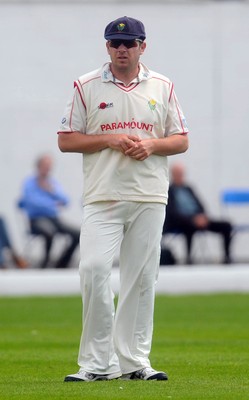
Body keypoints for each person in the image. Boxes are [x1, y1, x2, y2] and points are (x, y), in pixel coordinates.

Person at [57, 16, 189, 382]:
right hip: (103, 195)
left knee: (142, 278)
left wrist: (150, 145)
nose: (122, 50)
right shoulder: (86, 86)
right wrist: (110, 140)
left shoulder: (162, 86)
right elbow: (66, 140)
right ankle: (98, 364)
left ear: (142, 46)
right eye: (115, 44)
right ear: (107, 47)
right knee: (94, 269)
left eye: (129, 43)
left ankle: (134, 362)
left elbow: (180, 139)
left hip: (149, 194)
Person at [163, 162, 232, 264]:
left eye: (182, 174)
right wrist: (192, 219)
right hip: (182, 221)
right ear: (173, 175)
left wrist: (202, 216)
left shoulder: (189, 188)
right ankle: (189, 259)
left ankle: (227, 257)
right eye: (178, 174)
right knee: (189, 226)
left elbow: (201, 205)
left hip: (198, 219)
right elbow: (173, 213)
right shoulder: (169, 190)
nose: (180, 176)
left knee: (226, 225)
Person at [18, 154, 80, 268]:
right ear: (38, 166)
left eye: (49, 166)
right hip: (37, 220)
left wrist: (50, 190)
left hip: (54, 219)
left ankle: (62, 264)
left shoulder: (52, 183)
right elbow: (31, 202)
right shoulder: (29, 183)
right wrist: (52, 204)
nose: (47, 169)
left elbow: (65, 200)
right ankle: (45, 263)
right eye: (45, 166)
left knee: (78, 233)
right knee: (49, 232)